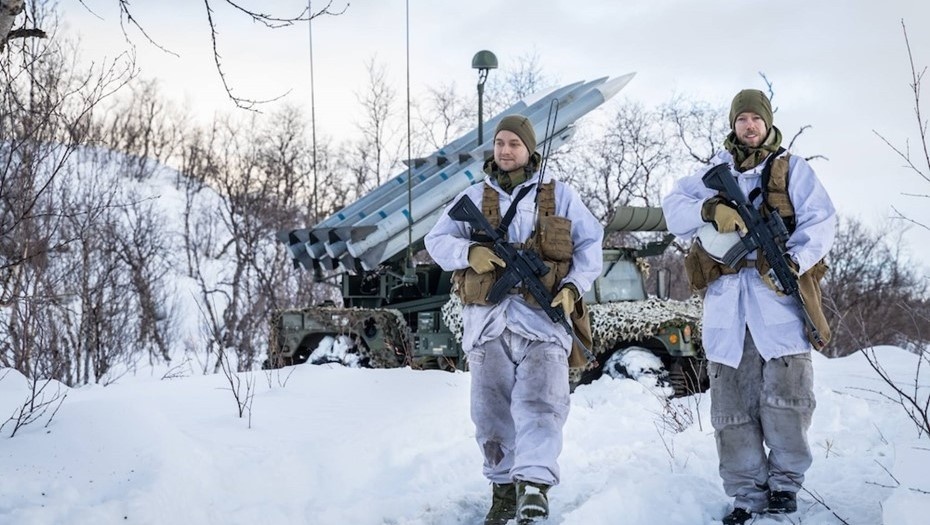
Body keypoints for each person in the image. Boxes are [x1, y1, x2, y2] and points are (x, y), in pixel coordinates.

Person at [662, 89, 836, 525]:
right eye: (741, 119)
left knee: (788, 402)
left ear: (767, 122)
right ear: (733, 125)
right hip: (727, 311)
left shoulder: (792, 170)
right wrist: (709, 209)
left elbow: (822, 220)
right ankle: (746, 494)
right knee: (731, 411)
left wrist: (793, 260)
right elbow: (672, 208)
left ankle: (783, 486)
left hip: (778, 306)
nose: (749, 126)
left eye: (755, 119)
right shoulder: (713, 173)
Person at [425, 114, 603, 524]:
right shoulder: (473, 195)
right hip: (488, 324)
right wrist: (468, 254)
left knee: (542, 406)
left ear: (529, 150)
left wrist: (572, 287)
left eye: (514, 144)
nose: (506, 151)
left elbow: (591, 244)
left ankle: (535, 489)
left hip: (543, 324)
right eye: (500, 143)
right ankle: (503, 490)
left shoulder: (559, 196)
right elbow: (436, 240)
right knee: (490, 412)